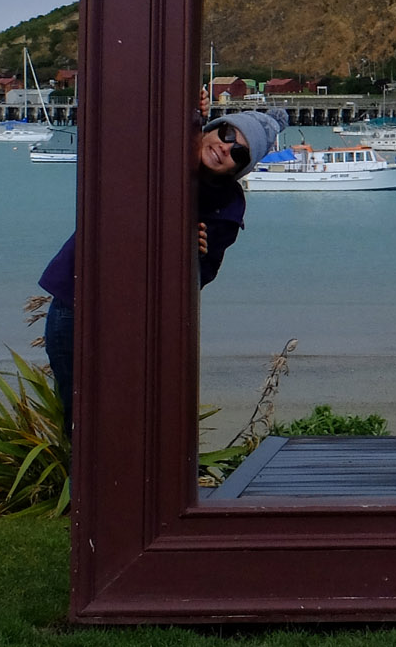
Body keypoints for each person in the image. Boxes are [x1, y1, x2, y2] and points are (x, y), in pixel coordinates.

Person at [38, 107, 285, 435]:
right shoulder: (162, 152)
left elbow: (197, 279)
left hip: (137, 321)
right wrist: (190, 108)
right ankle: (85, 483)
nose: (226, 148)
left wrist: (193, 255)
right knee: (80, 419)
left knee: (124, 416)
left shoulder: (226, 208)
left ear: (240, 168)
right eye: (226, 134)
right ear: (209, 130)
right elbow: (136, 124)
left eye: (239, 152)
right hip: (78, 301)